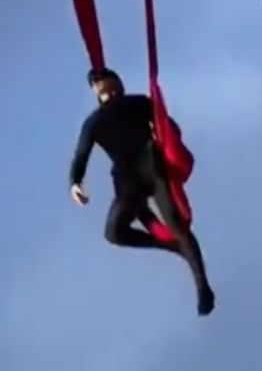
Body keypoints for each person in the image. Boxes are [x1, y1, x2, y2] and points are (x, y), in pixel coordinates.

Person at [69, 68, 215, 316]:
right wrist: (75, 182)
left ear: (118, 85)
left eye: (108, 84)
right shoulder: (94, 123)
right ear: (97, 93)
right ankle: (172, 247)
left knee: (179, 228)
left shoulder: (138, 103)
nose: (106, 90)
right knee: (113, 232)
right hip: (128, 182)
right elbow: (81, 155)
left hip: (151, 167)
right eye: (100, 86)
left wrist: (168, 141)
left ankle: (203, 288)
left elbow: (169, 126)